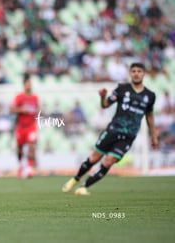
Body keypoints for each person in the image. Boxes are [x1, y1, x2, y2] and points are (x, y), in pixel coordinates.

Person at [62, 62, 158, 195]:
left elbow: (149, 116)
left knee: (108, 162)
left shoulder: (150, 96)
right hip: (113, 131)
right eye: (134, 71)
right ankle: (75, 179)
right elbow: (105, 105)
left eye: (139, 71)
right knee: (94, 159)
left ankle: (84, 187)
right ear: (130, 73)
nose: (136, 74)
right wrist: (102, 97)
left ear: (144, 74)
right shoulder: (122, 89)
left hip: (129, 136)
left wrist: (153, 136)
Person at [9, 74, 39, 178]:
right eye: (27, 84)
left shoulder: (35, 98)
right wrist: (21, 110)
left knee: (31, 146)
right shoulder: (19, 97)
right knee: (19, 149)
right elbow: (11, 109)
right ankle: (21, 165)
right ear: (24, 85)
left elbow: (37, 110)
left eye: (30, 84)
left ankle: (29, 169)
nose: (29, 86)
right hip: (20, 126)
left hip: (31, 126)